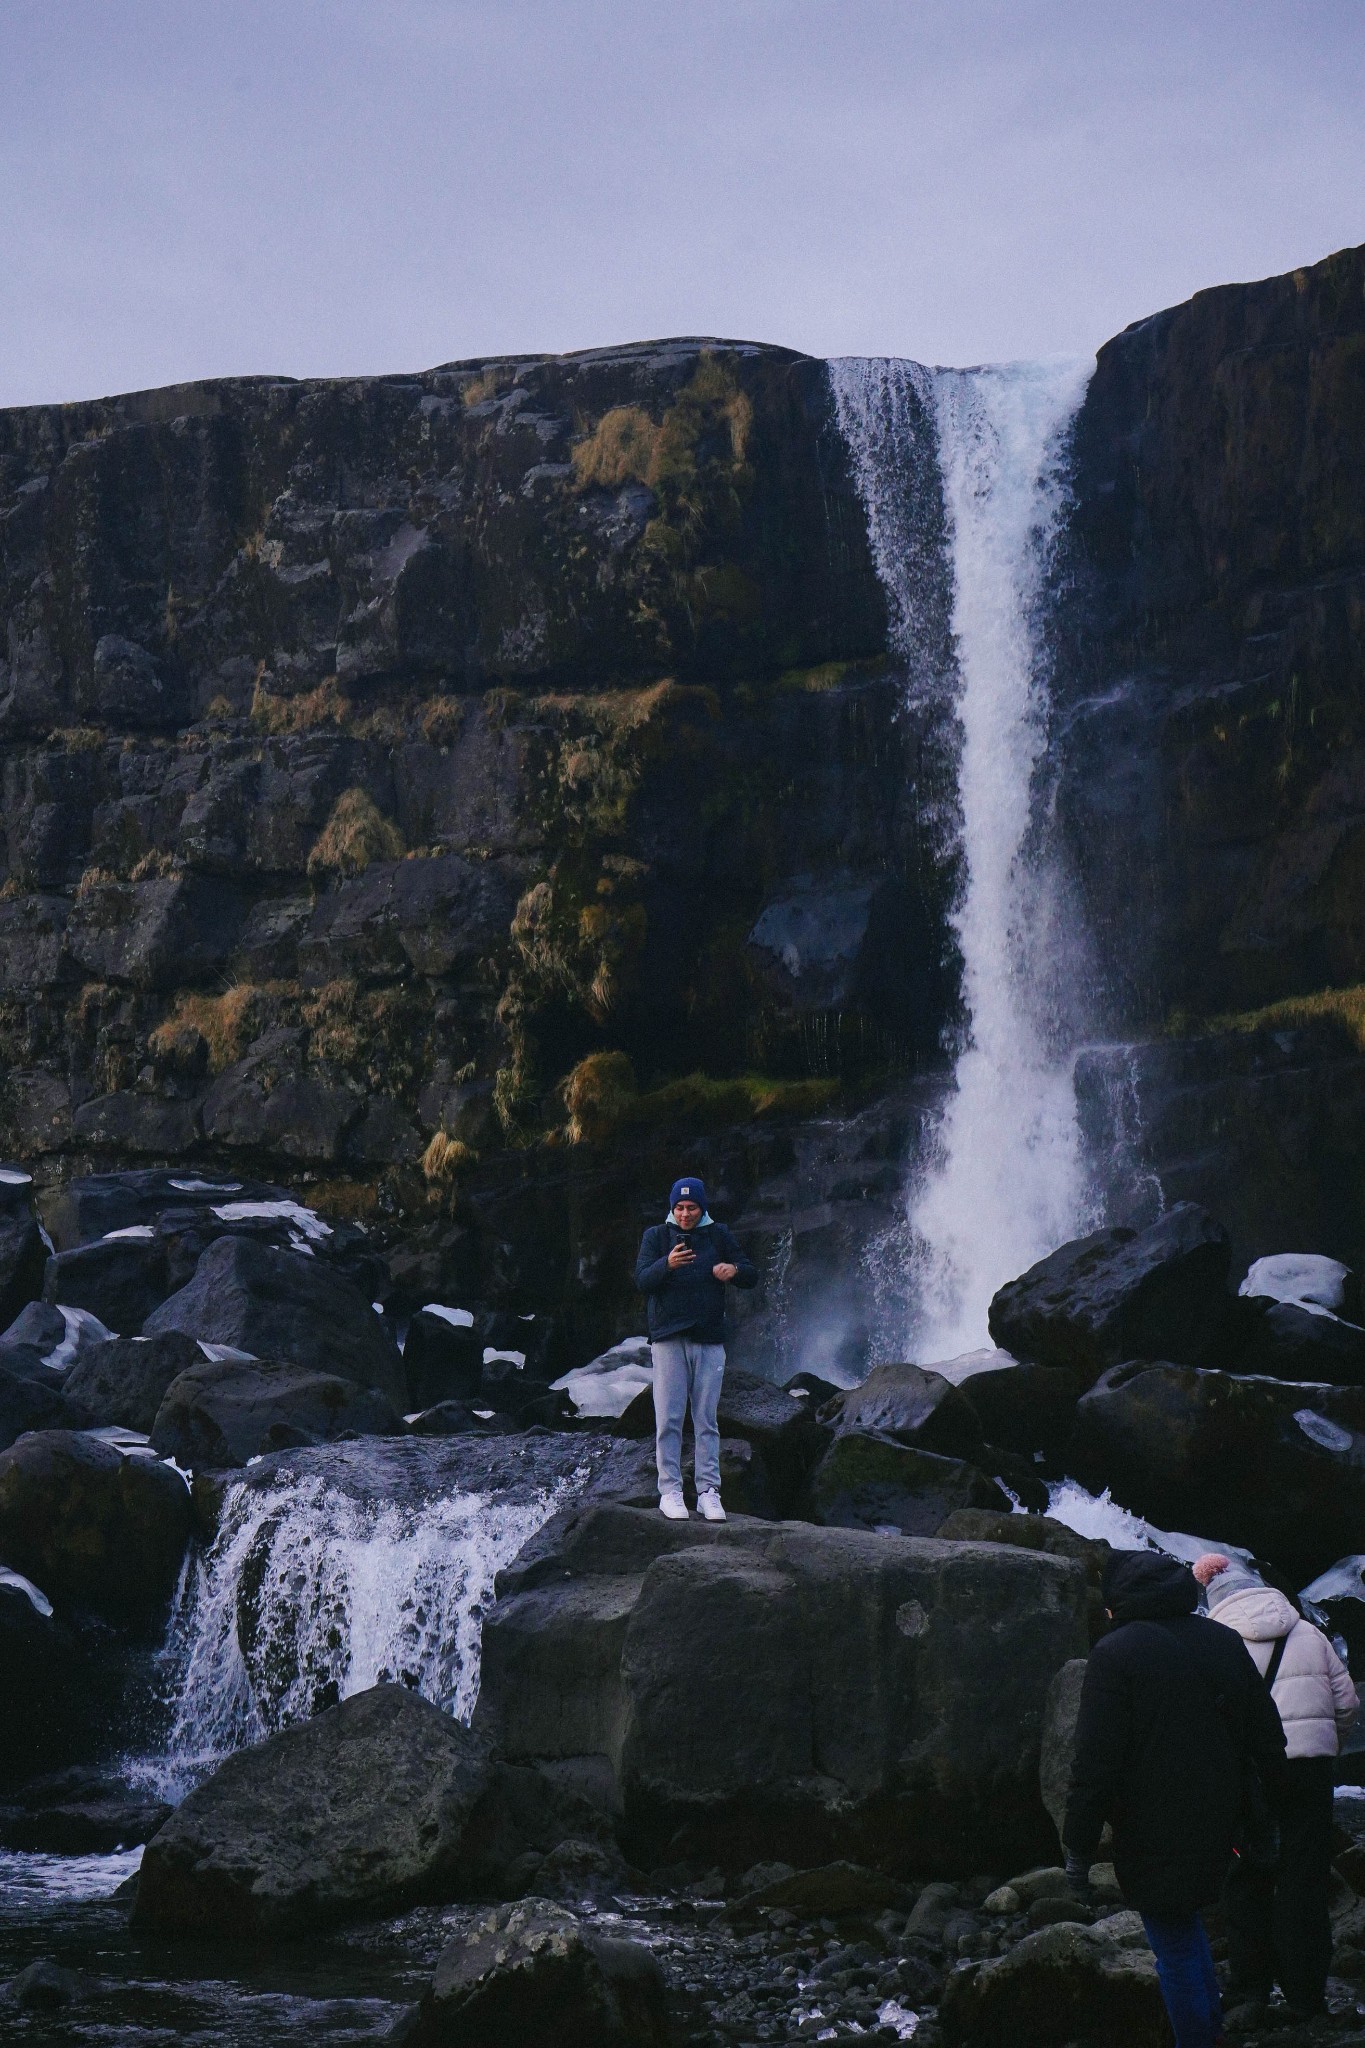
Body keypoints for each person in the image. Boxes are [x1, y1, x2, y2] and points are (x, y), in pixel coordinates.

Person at [1064, 1549, 1287, 2048]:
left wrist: (1077, 1846)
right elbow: (1268, 1736)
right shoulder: (1223, 1640)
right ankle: (1212, 2032)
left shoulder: (1115, 1654)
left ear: (1118, 1601)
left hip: (1151, 1825)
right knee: (1186, 1931)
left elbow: (1094, 1763)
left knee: (1174, 1943)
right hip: (1222, 1817)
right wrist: (1267, 1815)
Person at [1194, 1551, 1359, 2020]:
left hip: (1251, 1774)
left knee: (1247, 1875)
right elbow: (1346, 1702)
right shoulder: (1308, 1630)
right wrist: (1325, 1746)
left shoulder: (1214, 1640)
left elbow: (1208, 1716)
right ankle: (1308, 1996)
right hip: (1309, 1771)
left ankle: (1251, 1989)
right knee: (1304, 1877)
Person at [633, 1175, 756, 1521]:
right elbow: (642, 1280)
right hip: (669, 1338)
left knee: (706, 1419)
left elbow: (750, 1274)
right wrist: (667, 1264)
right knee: (669, 1418)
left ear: (702, 1208)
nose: (685, 1214)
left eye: (692, 1207)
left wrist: (733, 1270)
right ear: (672, 1208)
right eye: (680, 1207)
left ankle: (708, 1492)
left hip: (709, 1338)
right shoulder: (656, 1237)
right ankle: (670, 1491)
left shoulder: (718, 1234)